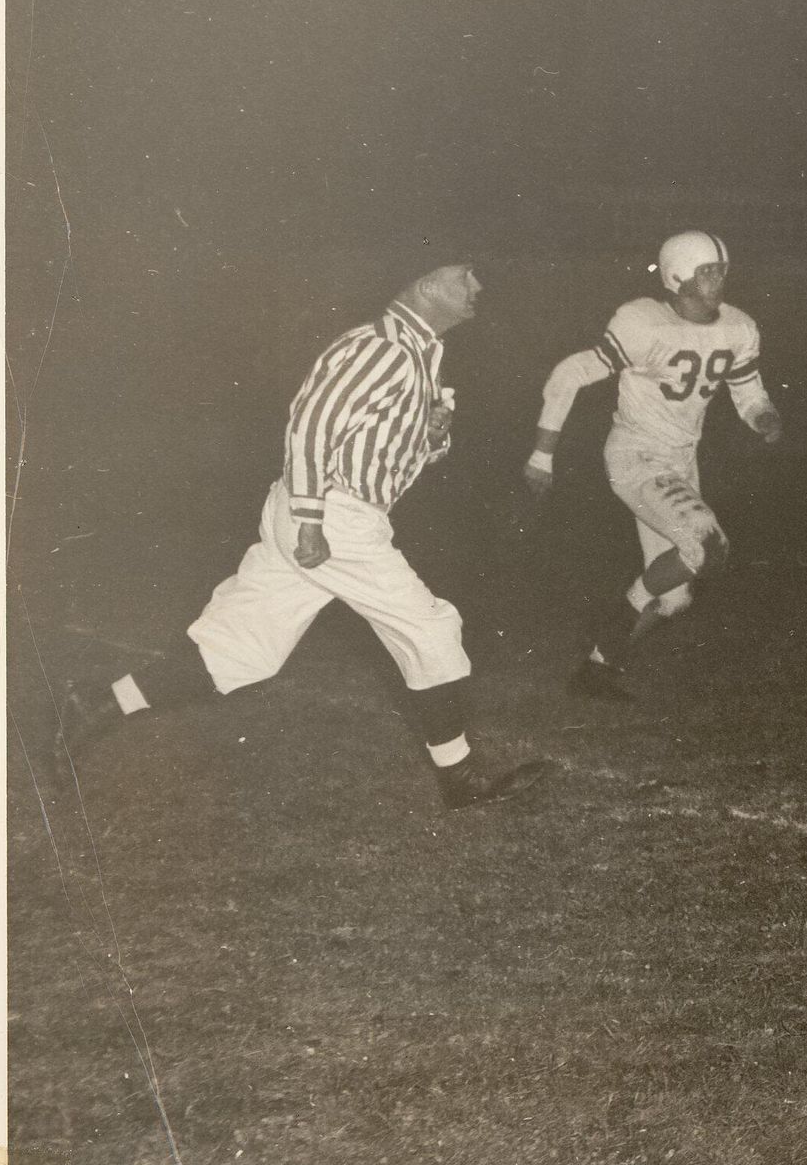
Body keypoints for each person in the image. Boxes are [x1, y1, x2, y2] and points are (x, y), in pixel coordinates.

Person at [56, 264, 550, 809]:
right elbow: (310, 427)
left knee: (241, 649)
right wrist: (311, 518)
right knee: (429, 628)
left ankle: (96, 704)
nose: (478, 289)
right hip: (332, 516)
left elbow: (384, 447)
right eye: (466, 277)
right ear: (428, 286)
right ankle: (460, 776)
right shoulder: (382, 347)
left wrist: (433, 437)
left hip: (323, 511)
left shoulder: (419, 354)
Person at [524, 231, 782, 699]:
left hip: (681, 459)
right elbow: (570, 373)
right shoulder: (644, 321)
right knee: (706, 546)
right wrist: (542, 454)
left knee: (676, 597)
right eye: (707, 271)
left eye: (721, 270)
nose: (718, 280)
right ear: (677, 276)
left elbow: (747, 389)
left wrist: (761, 414)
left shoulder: (739, 326)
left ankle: (597, 669)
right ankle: (617, 619)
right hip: (637, 455)